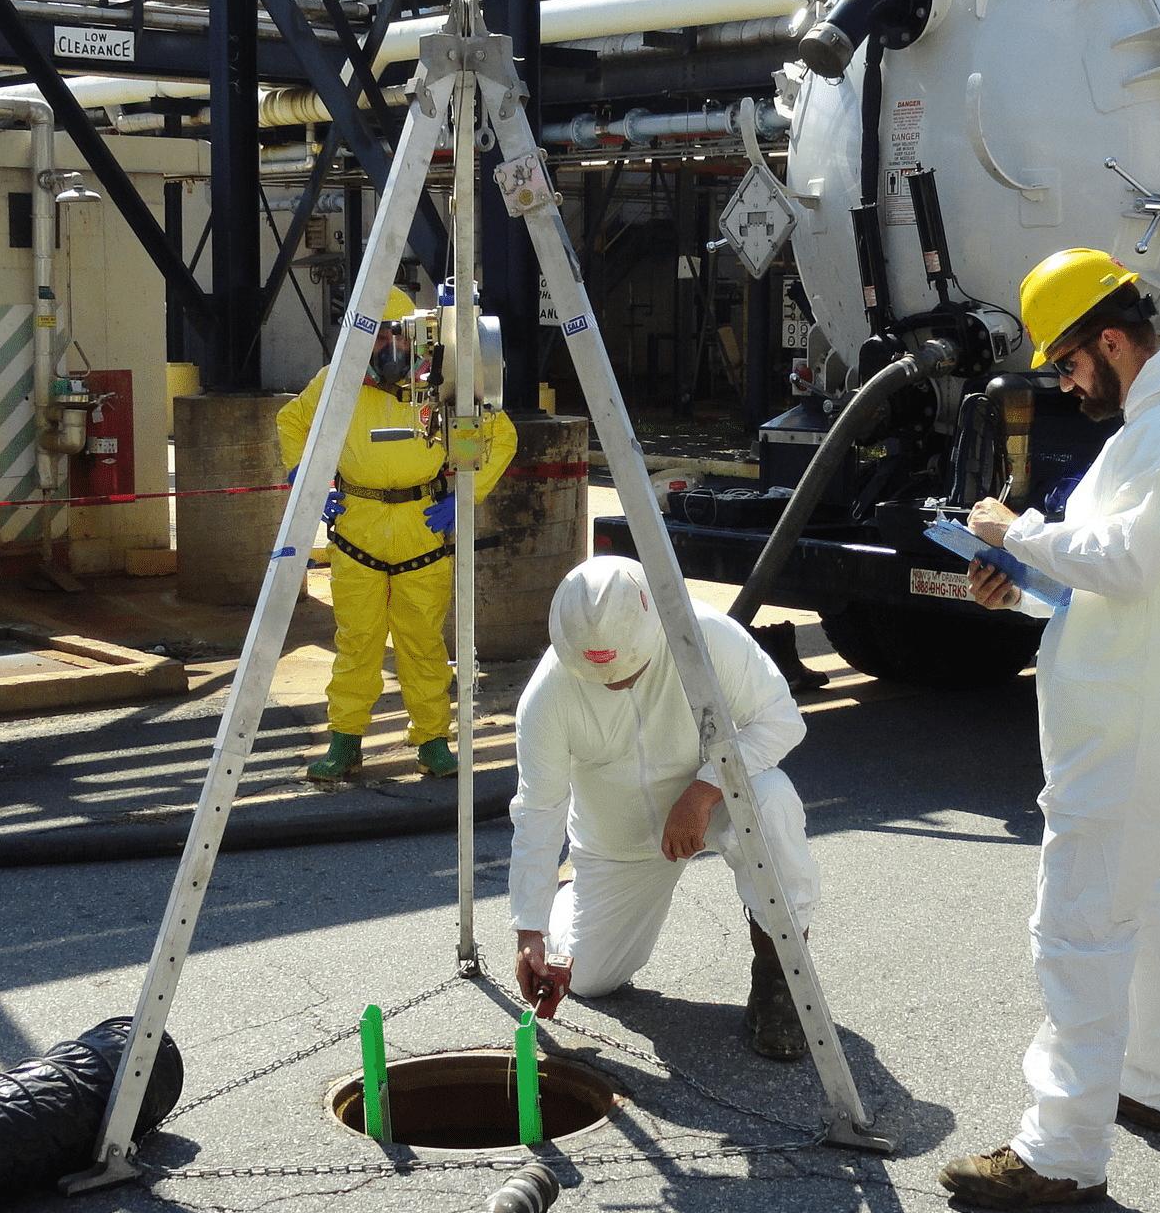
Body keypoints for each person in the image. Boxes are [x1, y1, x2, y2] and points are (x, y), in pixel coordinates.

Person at [937, 247, 1160, 1210]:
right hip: (1123, 716)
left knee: (1076, 927)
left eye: (1068, 363)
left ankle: (1061, 1149)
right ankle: (1151, 1085)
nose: (1067, 384)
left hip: (1126, 725)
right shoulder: (1150, 432)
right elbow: (1098, 581)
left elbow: (1131, 558)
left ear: (1111, 340)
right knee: (1127, 904)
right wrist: (1018, 587)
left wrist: (1011, 533)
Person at [509, 555, 820, 1059]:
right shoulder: (546, 696)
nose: (614, 684)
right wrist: (530, 929)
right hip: (618, 838)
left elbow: (782, 721)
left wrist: (704, 788)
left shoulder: (707, 636)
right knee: (590, 979)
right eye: (598, 676)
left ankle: (782, 983)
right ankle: (565, 902)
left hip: (715, 801)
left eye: (628, 671)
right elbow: (538, 812)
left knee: (772, 802)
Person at [276, 291, 518, 782]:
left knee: (422, 642)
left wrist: (465, 497)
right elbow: (292, 422)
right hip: (357, 530)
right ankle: (345, 742)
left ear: (417, 335)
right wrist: (307, 481)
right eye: (377, 334)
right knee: (357, 643)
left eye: (395, 333)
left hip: (421, 530)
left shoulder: (444, 384)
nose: (387, 344)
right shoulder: (337, 384)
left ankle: (431, 740)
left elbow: (499, 436)